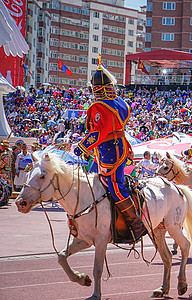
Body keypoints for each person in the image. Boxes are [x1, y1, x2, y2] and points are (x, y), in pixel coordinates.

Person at [73, 64, 147, 243]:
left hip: (110, 150)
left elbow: (98, 132)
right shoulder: (120, 102)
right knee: (93, 181)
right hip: (115, 147)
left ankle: (136, 224)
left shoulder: (100, 106)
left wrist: (82, 147)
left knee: (116, 186)